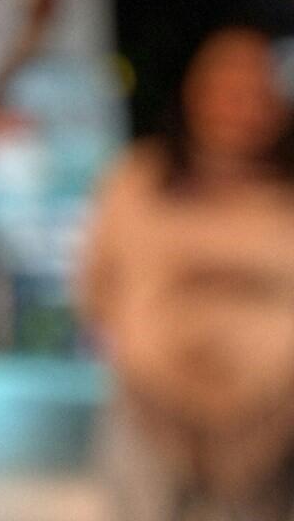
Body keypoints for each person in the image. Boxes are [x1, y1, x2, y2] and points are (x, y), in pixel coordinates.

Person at [79, 26, 294, 521]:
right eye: (224, 84)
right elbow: (97, 286)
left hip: (268, 436)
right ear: (192, 89)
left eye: (255, 88)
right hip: (148, 421)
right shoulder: (139, 179)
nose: (239, 103)